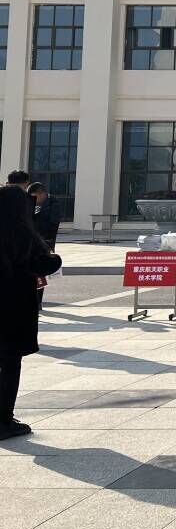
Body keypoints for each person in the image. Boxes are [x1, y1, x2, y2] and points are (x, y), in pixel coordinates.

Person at [0, 184, 62, 439]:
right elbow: (45, 264)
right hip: (14, 309)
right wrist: (55, 258)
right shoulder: (22, 234)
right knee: (10, 364)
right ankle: (4, 420)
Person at [28, 183, 61, 311]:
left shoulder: (53, 205)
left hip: (43, 243)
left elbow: (52, 225)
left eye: (35, 197)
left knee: (39, 272)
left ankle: (38, 302)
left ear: (41, 194)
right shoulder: (40, 204)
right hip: (35, 241)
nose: (34, 201)